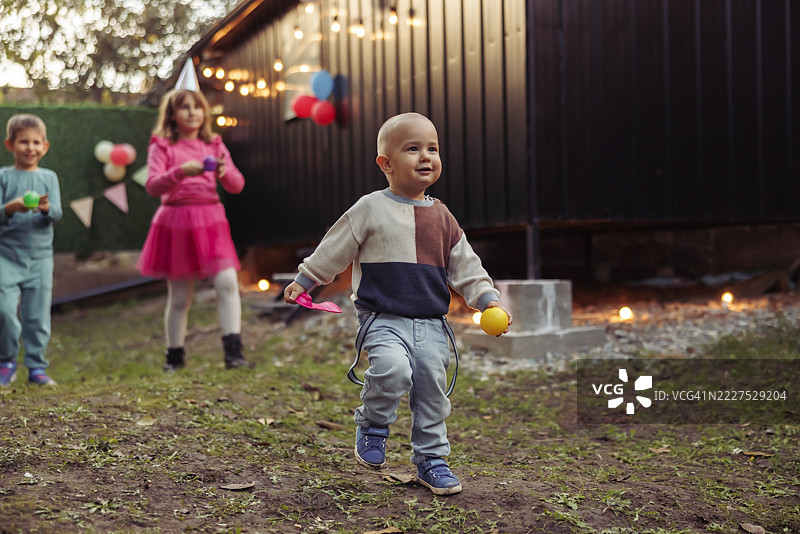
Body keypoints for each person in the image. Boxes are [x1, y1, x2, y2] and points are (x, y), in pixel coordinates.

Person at [283, 112, 513, 495]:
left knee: (430, 393)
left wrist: (487, 300)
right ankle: (373, 423)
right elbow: (335, 247)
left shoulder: (443, 217)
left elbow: (467, 266)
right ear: (386, 164)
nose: (426, 157)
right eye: (413, 149)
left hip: (432, 323)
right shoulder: (370, 208)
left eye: (432, 149)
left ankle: (431, 460)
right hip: (382, 316)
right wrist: (306, 278)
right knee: (391, 369)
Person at [137, 88, 251, 371]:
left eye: (197, 107)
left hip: (211, 219)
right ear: (172, 115)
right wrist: (180, 172)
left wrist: (224, 171)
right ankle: (174, 357)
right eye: (185, 107)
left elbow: (237, 185)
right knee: (179, 296)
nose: (192, 112)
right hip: (176, 221)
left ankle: (233, 353)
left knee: (227, 282)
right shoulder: (162, 146)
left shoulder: (214, 144)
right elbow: (152, 185)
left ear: (204, 113)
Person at [0, 114, 63, 387]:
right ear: (10, 144)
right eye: (23, 142)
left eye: (36, 142)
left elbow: (57, 213)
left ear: (45, 146)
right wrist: (11, 208)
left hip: (39, 259)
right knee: (4, 311)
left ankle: (37, 367)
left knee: (37, 316)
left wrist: (47, 209)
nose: (30, 147)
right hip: (6, 257)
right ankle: (7, 361)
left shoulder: (49, 178)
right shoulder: (3, 177)